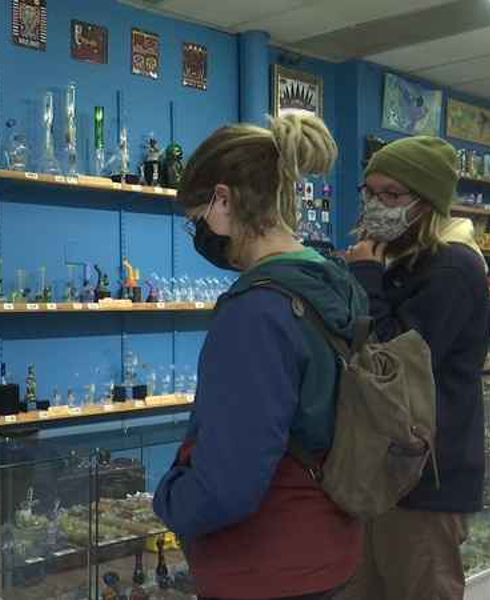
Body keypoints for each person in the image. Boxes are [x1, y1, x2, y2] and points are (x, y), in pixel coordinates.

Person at [152, 113, 368, 600]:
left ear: (223, 200)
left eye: (197, 219)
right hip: (331, 547)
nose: (199, 234)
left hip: (265, 565)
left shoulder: (255, 313)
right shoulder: (337, 284)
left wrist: (168, 499)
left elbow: (228, 483)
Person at [339, 136, 488, 600]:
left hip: (426, 480)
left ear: (426, 202)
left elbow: (393, 363)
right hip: (380, 470)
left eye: (392, 194)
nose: (376, 204)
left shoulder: (453, 268)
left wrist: (365, 276)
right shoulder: (398, 258)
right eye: (369, 192)